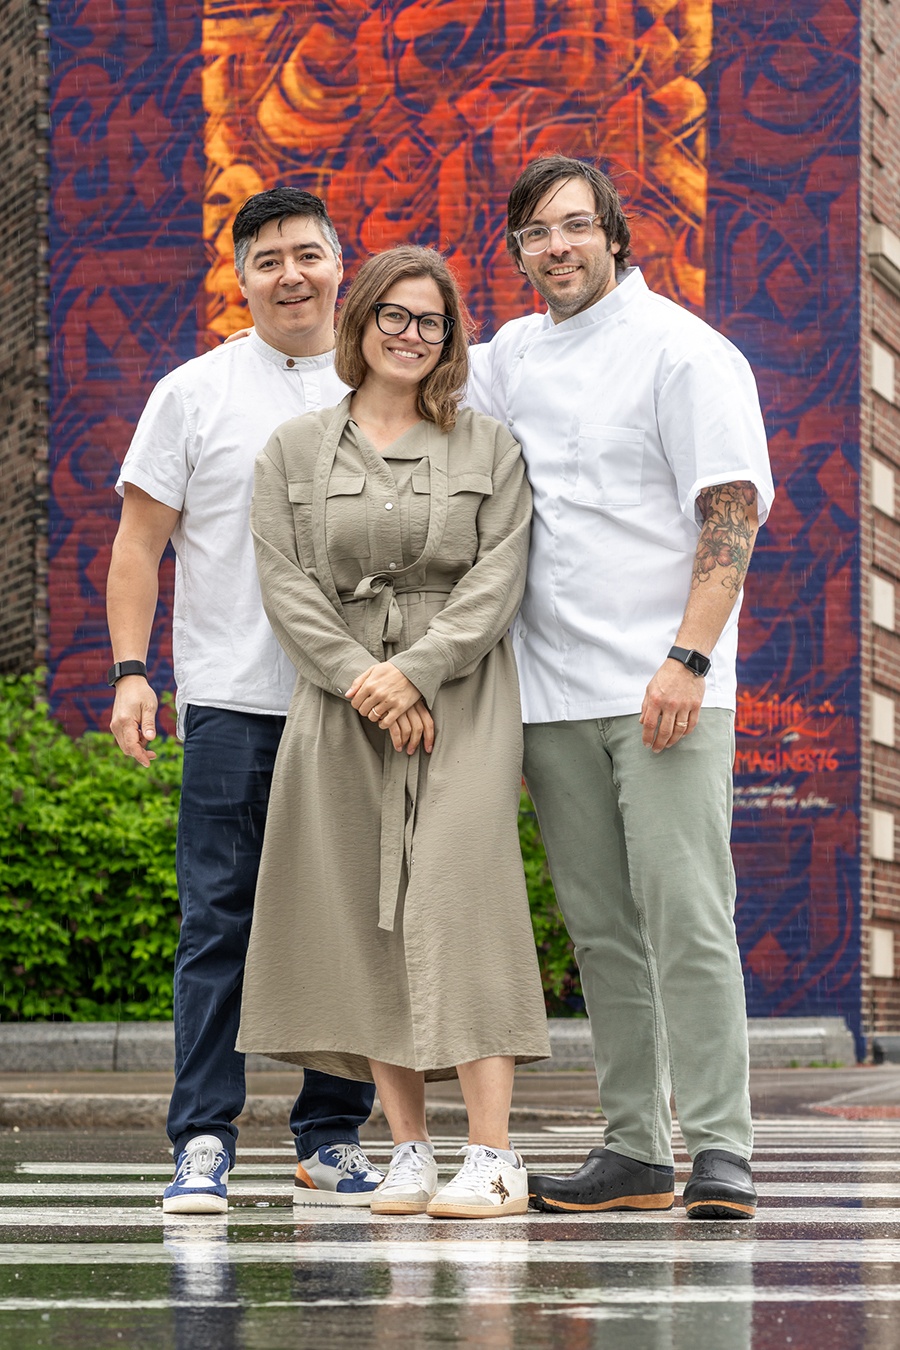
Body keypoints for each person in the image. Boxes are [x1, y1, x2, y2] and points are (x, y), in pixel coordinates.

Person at [468, 154, 774, 1220]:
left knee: (687, 916)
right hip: (551, 694)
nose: (555, 249)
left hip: (665, 687)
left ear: (614, 234)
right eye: (534, 236)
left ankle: (722, 1148)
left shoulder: (685, 353)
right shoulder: (510, 355)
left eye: (573, 227)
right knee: (600, 931)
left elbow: (730, 508)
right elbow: (401, 376)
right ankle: (636, 1149)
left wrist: (689, 658)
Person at [237, 245, 551, 1219]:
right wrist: (364, 680)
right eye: (396, 317)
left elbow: (499, 577)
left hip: (461, 692)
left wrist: (412, 673)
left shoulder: (485, 446)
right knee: (366, 913)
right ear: (359, 321)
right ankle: (408, 1148)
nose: (413, 336)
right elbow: (284, 581)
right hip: (340, 699)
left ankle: (493, 1155)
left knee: (462, 893)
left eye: (432, 322)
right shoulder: (293, 448)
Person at [106, 187, 382, 1214]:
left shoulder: (385, 381)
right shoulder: (194, 392)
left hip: (363, 697)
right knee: (217, 921)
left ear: (338, 263)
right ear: (241, 275)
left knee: (357, 922)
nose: (290, 274)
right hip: (232, 698)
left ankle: (328, 1134)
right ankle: (203, 1139)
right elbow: (138, 544)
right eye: (266, 259)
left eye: (307, 253)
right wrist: (134, 672)